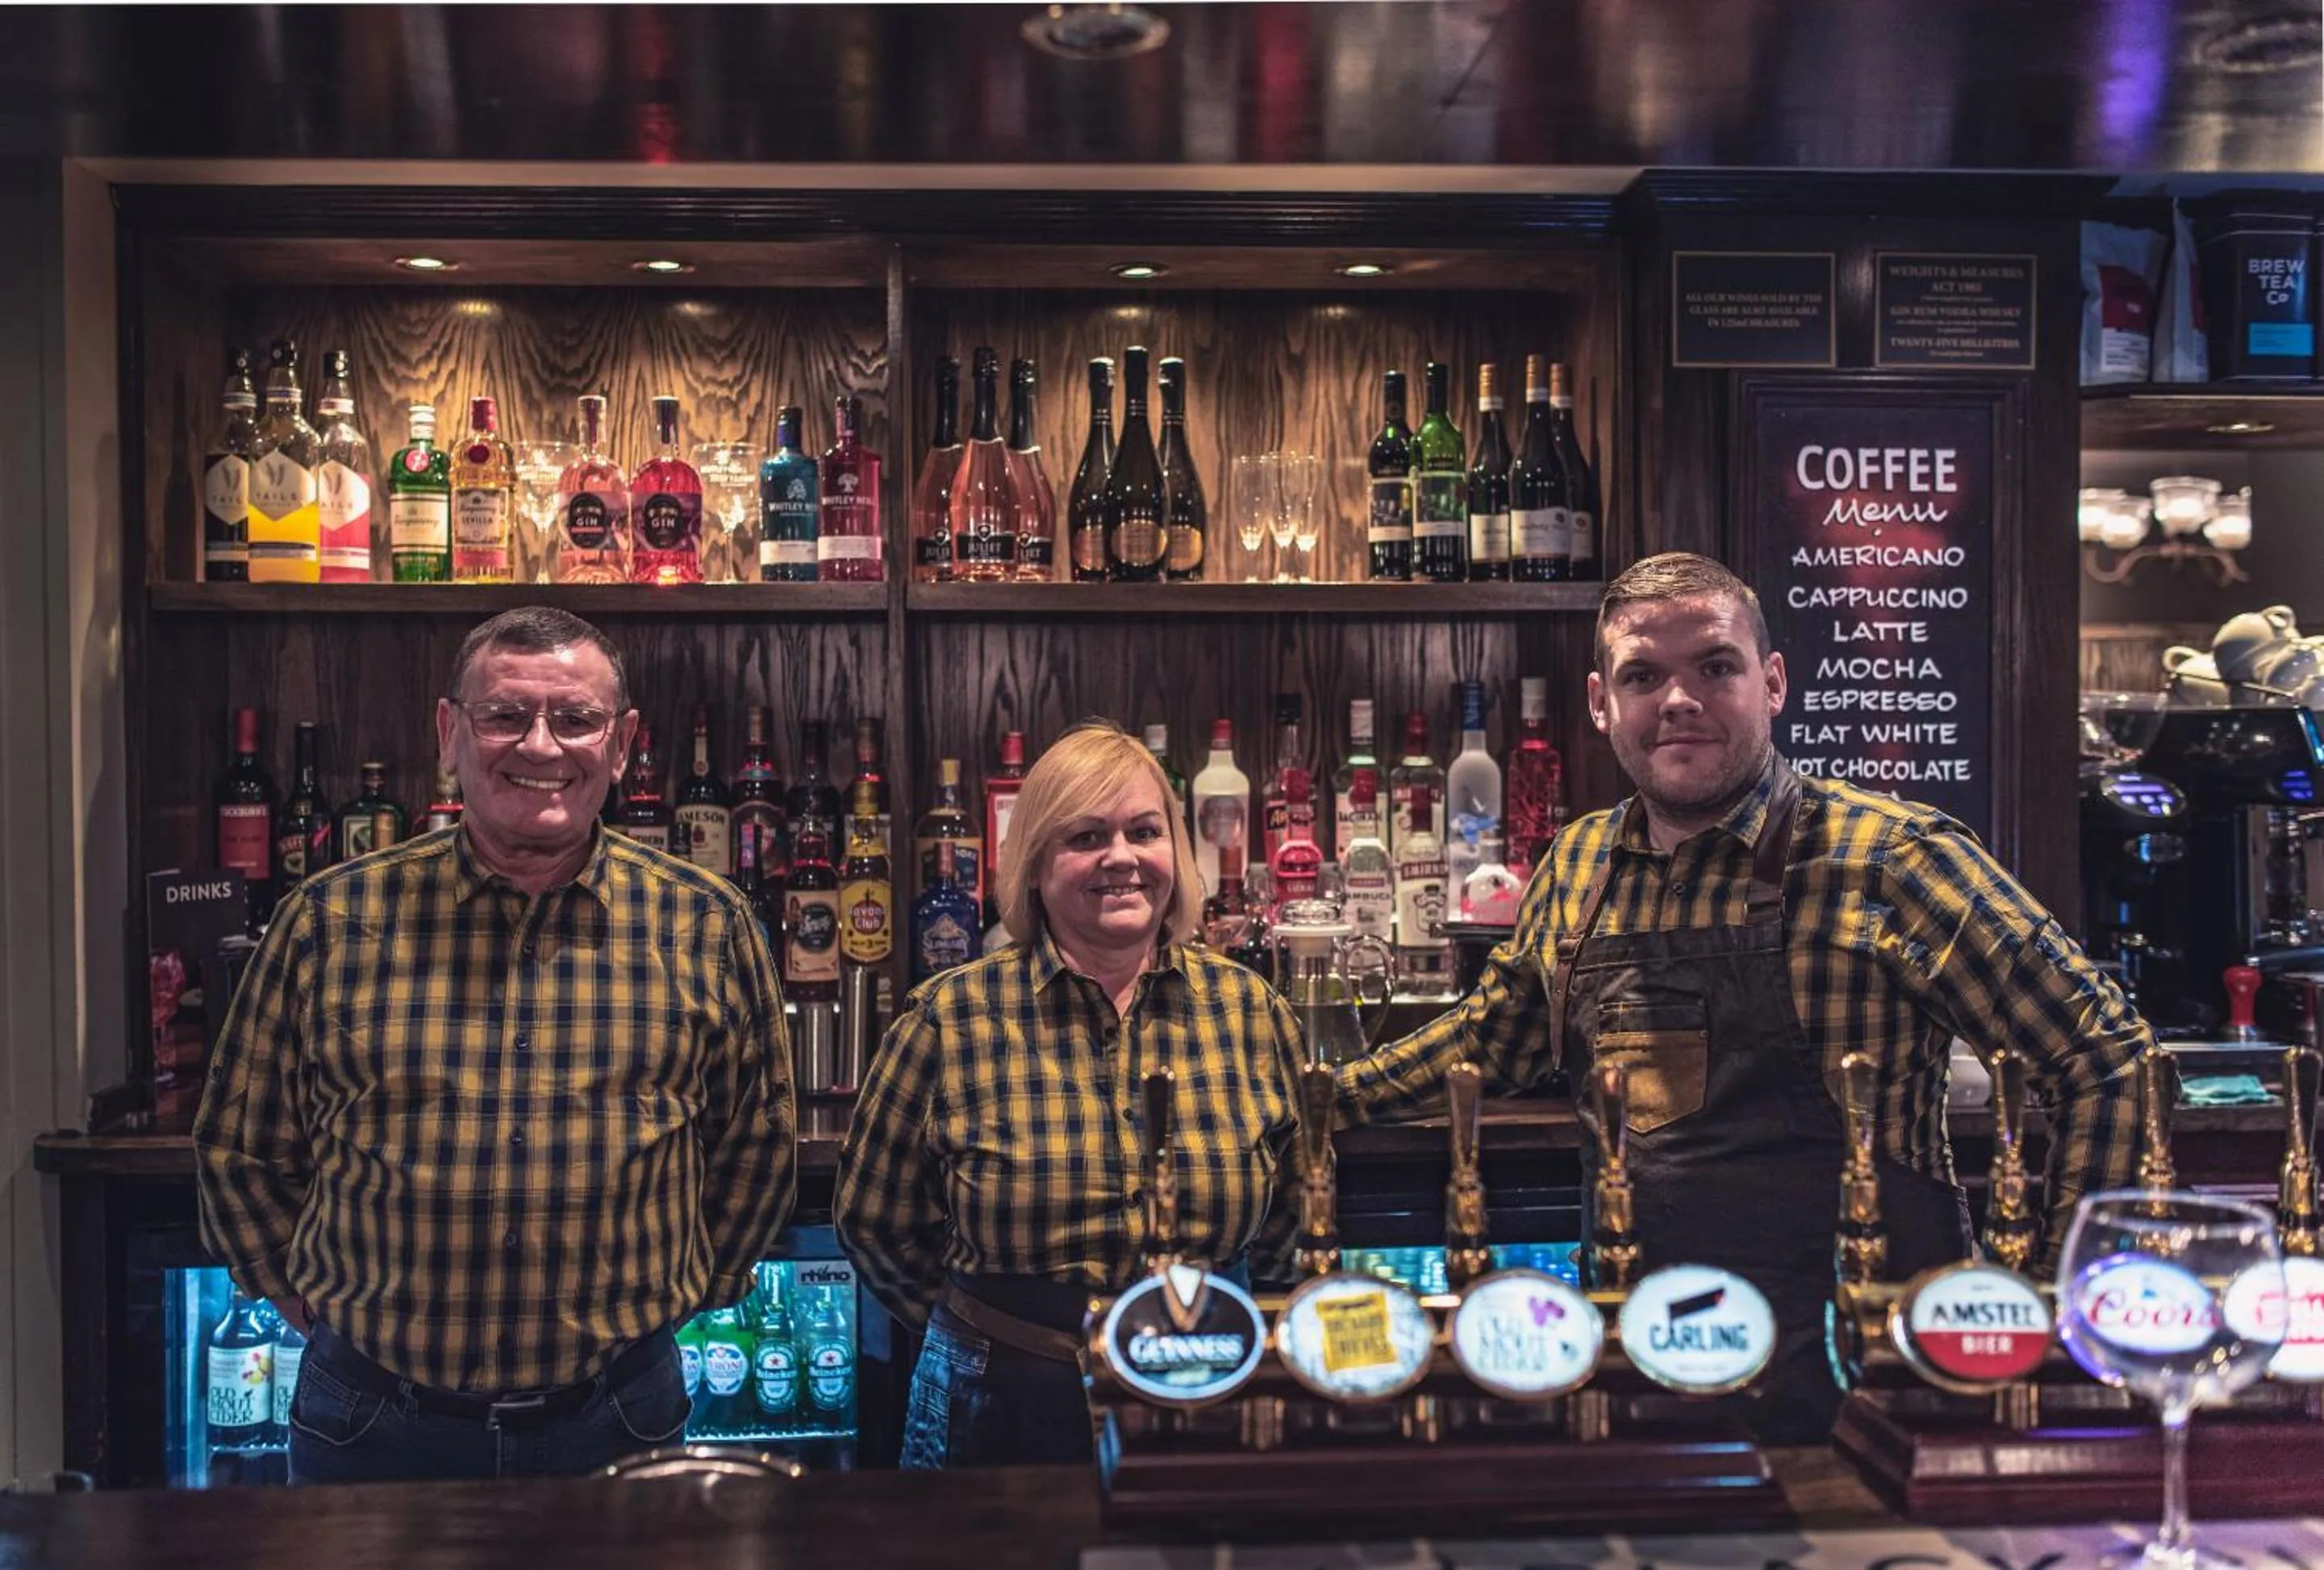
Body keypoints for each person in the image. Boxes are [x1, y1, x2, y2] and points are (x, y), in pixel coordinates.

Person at [1337, 553, 2147, 1440]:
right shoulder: (1577, 866)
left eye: (1714, 666)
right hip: (1653, 1356)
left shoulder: (1891, 856)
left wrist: (2070, 1302)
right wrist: (1324, 1100)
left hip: (1876, 1376)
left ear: (1771, 684)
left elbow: (2104, 1055)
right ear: (1603, 703)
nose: (1678, 699)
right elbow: (1494, 1038)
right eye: (1643, 675)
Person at [193, 606, 795, 1484]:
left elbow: (754, 1157)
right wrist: (325, 1313)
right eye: (506, 713)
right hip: (372, 1423)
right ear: (449, 732)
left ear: (622, 743)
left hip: (620, 1413)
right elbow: (240, 1148)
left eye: (577, 719)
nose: (541, 745)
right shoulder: (329, 918)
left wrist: (667, 1302)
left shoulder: (706, 923)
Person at [836, 720, 1304, 1468]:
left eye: (1143, 832)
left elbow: (1291, 1220)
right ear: (1033, 864)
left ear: (1175, 855)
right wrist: (984, 1335)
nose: (1120, 858)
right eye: (1085, 837)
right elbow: (875, 1224)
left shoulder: (1249, 1012)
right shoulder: (946, 1019)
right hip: (1000, 1405)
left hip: (1208, 1386)